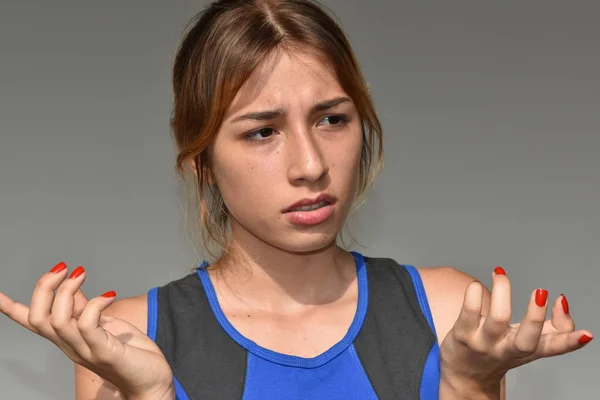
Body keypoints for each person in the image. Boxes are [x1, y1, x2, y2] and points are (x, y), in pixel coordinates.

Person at [0, 0, 593, 399]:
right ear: (201, 159)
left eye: (332, 119)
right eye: (263, 131)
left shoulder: (446, 310)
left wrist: (468, 385)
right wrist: (152, 394)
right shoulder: (129, 335)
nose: (310, 166)